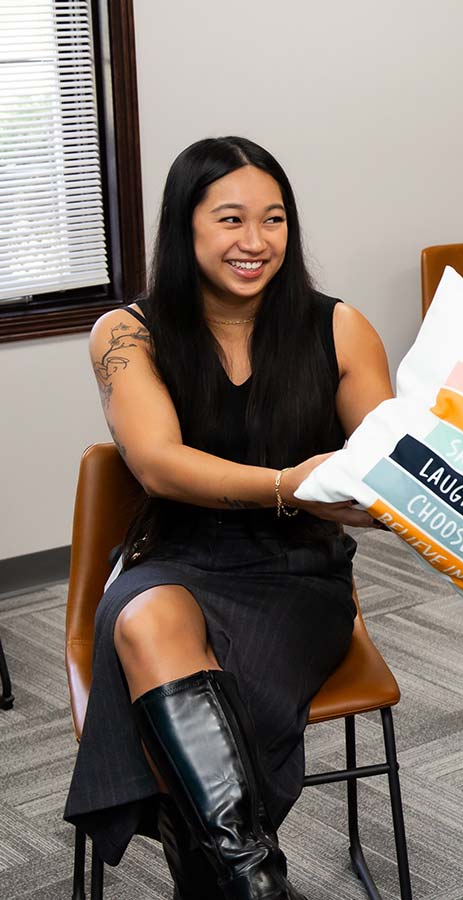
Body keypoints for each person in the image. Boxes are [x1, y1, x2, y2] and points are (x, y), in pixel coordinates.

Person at [66, 137, 393, 900]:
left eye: (273, 220)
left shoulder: (340, 328)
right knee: (147, 622)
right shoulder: (127, 333)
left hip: (296, 576)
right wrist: (287, 482)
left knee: (193, 716)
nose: (255, 242)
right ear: (185, 228)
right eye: (231, 219)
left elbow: (386, 470)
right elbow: (157, 463)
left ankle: (234, 883)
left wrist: (413, 496)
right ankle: (256, 883)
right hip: (174, 557)